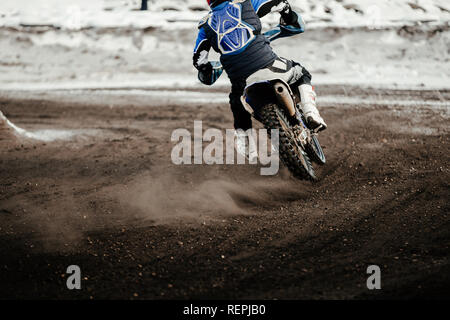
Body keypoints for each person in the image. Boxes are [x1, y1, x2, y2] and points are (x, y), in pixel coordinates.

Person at [193, 0, 327, 156]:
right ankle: (311, 112)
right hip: (269, 66)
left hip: (242, 80)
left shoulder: (205, 26)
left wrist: (209, 69)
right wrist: (287, 13)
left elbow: (199, 60)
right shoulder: (246, 4)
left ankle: (245, 142)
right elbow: (278, 3)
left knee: (237, 101)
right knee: (301, 73)